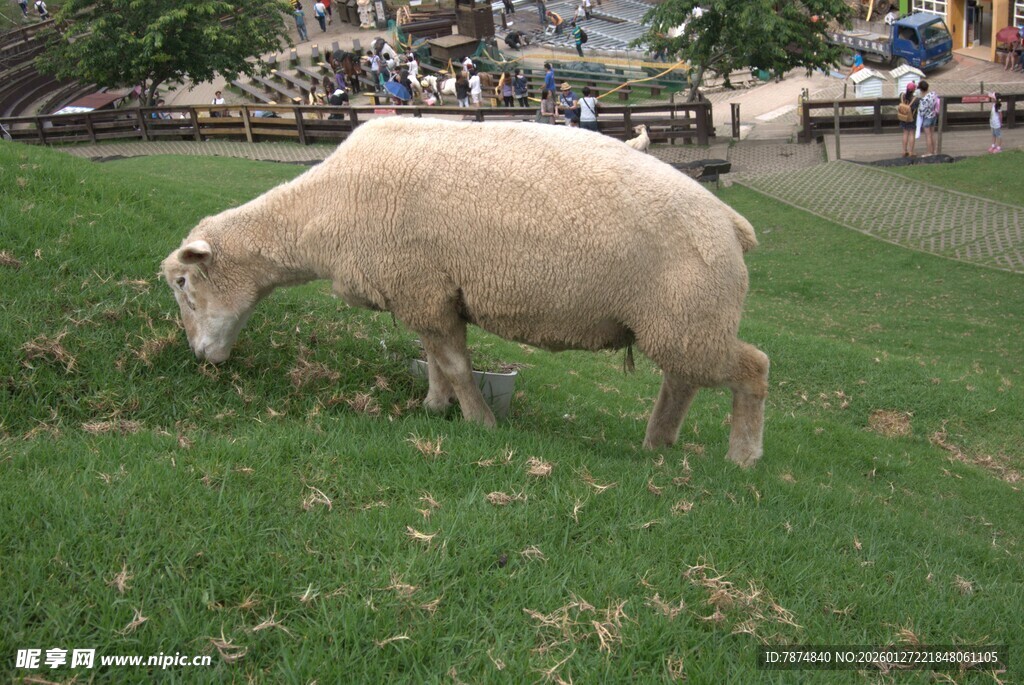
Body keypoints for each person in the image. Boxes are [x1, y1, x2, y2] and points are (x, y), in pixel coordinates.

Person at [916, 79, 938, 156]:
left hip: (927, 118)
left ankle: (929, 152)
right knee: (932, 134)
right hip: (933, 115)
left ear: (921, 90)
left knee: (928, 135)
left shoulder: (923, 100)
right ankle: (934, 150)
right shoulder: (933, 94)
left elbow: (921, 111)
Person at [897, 82, 918, 157]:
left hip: (903, 117)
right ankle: (911, 152)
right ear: (913, 90)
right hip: (911, 118)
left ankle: (904, 151)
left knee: (905, 133)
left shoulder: (902, 96)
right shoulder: (915, 99)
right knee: (911, 133)